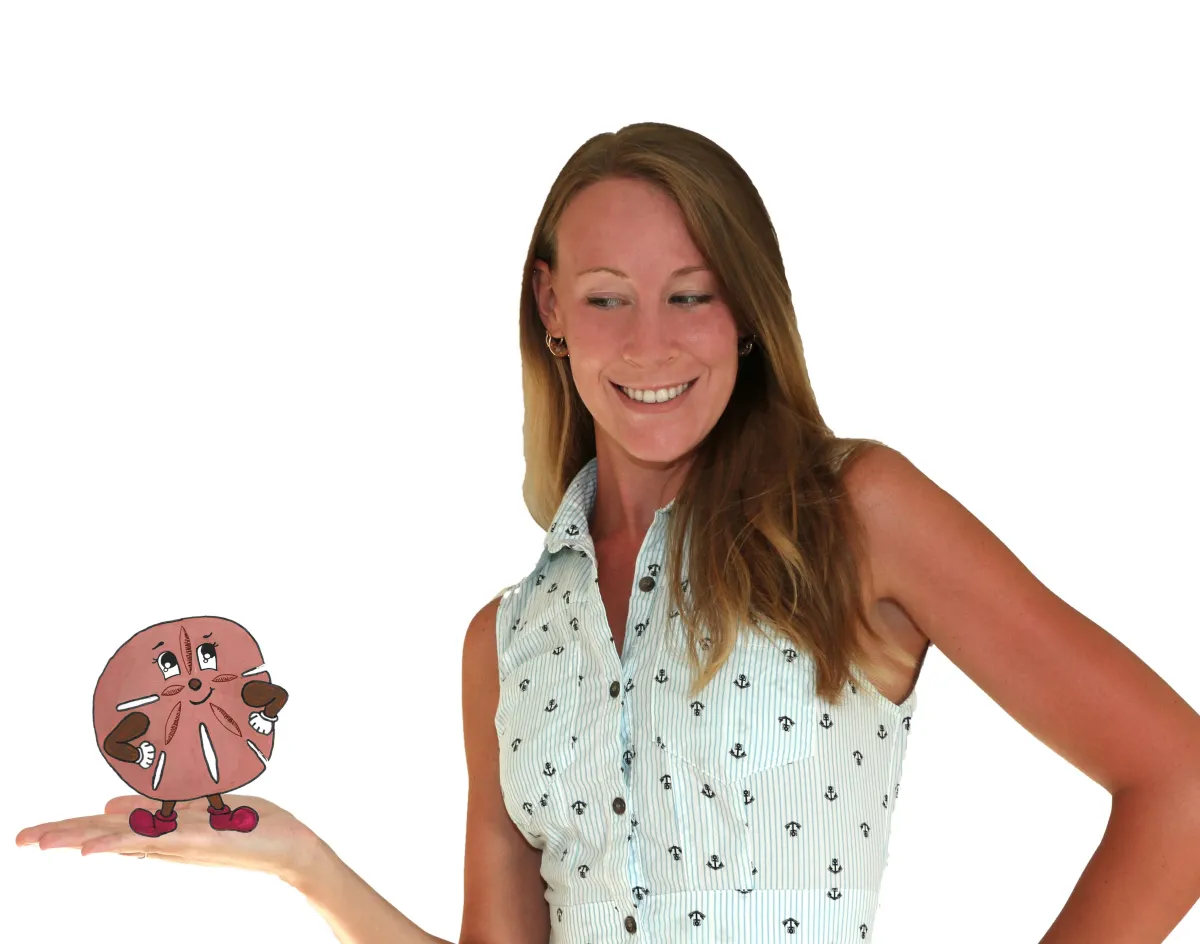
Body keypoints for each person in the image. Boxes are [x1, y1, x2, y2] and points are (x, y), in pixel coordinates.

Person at [15, 122, 1200, 944]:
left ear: (747, 313)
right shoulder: (507, 638)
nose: (649, 342)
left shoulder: (853, 517)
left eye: (691, 292)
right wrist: (295, 858)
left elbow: (1179, 778)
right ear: (550, 309)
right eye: (605, 296)